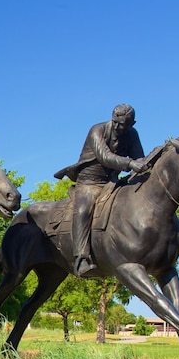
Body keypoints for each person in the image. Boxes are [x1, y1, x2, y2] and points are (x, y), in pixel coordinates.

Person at [54, 103, 147, 276]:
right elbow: (104, 156)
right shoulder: (97, 130)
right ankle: (81, 258)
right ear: (112, 118)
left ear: (132, 124)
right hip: (89, 182)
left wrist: (144, 164)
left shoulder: (132, 134)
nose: (119, 127)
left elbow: (139, 157)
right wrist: (130, 163)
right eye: (116, 123)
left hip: (113, 182)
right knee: (83, 210)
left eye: (124, 125)